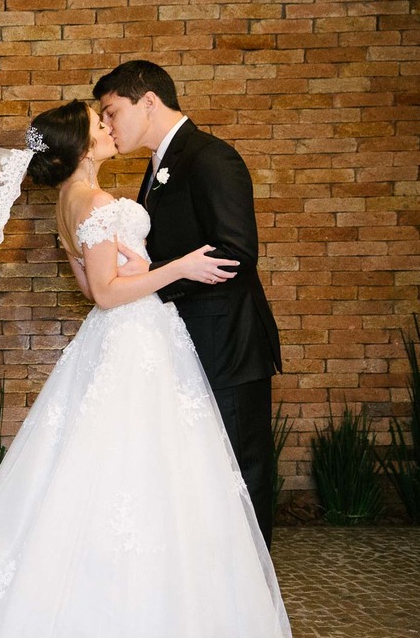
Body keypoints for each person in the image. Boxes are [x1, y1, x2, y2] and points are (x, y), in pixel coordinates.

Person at [0, 100, 292, 638]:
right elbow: (106, 295)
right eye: (99, 123)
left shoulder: (71, 208)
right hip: (131, 337)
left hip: (127, 342)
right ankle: (131, 624)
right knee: (138, 467)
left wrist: (140, 264)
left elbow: (98, 280)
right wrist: (180, 267)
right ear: (79, 144)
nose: (108, 128)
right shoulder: (95, 204)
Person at [94, 61, 282, 547]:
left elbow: (235, 252)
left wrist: (158, 280)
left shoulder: (210, 158)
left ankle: (252, 592)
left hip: (226, 343)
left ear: (148, 101)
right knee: (199, 469)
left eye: (112, 111)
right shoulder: (157, 167)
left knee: (240, 463)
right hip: (182, 340)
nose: (109, 124)